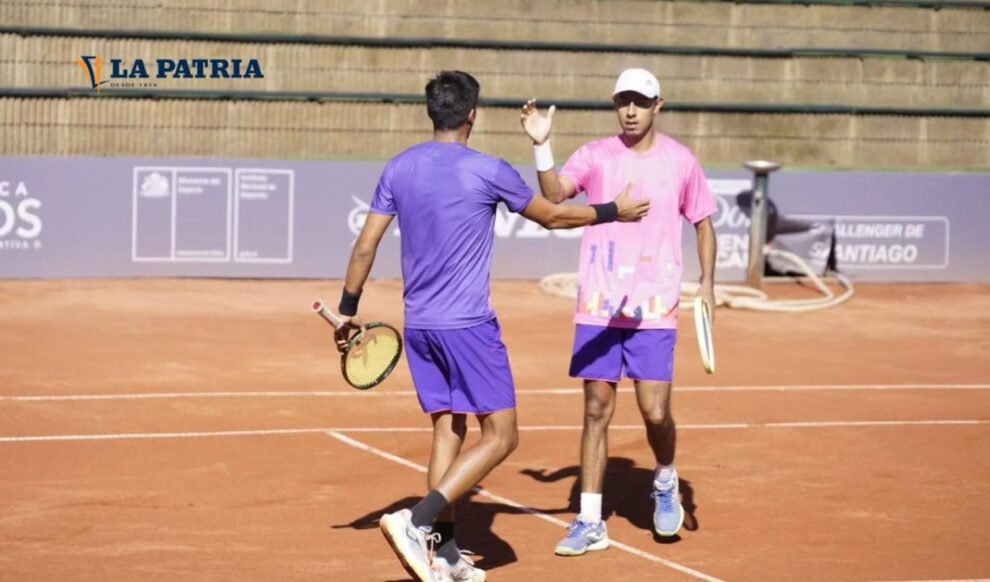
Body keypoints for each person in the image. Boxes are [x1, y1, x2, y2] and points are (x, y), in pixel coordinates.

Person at [336, 70, 649, 582]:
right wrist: (615, 210)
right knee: (502, 436)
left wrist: (348, 310)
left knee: (448, 429)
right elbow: (551, 216)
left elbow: (365, 245)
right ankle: (416, 522)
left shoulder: (399, 168)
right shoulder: (488, 170)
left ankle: (448, 554)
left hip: (420, 327)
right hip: (468, 327)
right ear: (473, 116)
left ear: (431, 113)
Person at [519, 67, 717, 556]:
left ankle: (665, 477)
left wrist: (709, 283)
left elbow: (704, 223)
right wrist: (541, 145)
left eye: (640, 102)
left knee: (654, 411)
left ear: (658, 106)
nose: (630, 110)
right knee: (595, 410)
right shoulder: (595, 156)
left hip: (655, 306)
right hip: (598, 306)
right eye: (623, 101)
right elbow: (554, 196)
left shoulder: (681, 162)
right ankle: (589, 521)